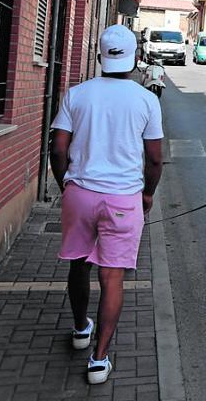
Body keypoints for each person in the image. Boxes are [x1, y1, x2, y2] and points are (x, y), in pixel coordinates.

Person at [50, 25, 164, 385]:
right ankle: (99, 360)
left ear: (100, 55)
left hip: (80, 194)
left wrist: (66, 186)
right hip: (123, 198)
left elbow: (58, 149)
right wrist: (147, 194)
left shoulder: (77, 94)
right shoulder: (146, 100)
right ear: (135, 58)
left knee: (78, 265)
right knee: (112, 277)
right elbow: (155, 160)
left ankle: (81, 328)